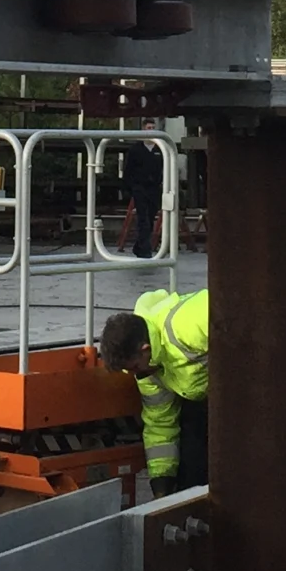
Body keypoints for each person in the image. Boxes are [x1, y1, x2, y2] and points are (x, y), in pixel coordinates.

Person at [97, 287, 209, 493]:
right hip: (210, 399)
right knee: (192, 471)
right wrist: (161, 481)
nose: (135, 375)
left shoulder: (187, 323)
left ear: (145, 349)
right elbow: (161, 424)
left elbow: (241, 311)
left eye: (134, 367)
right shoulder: (147, 372)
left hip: (251, 386)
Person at [118, 138, 168, 260]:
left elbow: (164, 167)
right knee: (143, 218)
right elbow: (128, 169)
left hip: (154, 188)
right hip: (139, 187)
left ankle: (139, 246)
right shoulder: (135, 149)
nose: (150, 130)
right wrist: (129, 187)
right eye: (148, 128)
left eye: (152, 128)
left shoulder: (160, 148)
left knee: (150, 217)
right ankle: (145, 249)